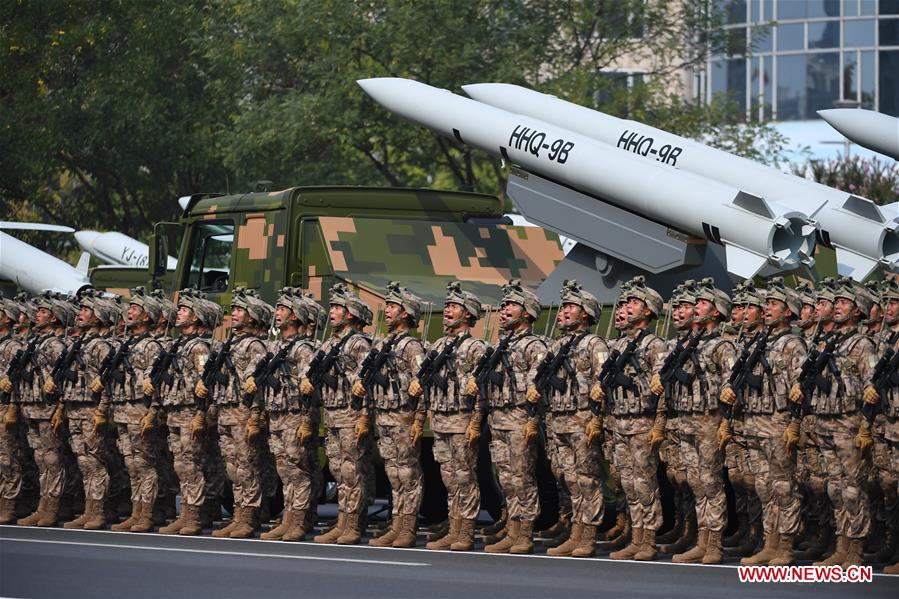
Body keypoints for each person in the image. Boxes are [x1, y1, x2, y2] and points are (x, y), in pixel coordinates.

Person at [306, 283, 373, 545]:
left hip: (351, 414)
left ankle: (354, 524)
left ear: (351, 314)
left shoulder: (358, 343)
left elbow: (366, 381)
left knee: (351, 470)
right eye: (331, 307)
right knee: (337, 469)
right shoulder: (330, 343)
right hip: (332, 414)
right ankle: (343, 520)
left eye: (337, 308)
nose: (331, 311)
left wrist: (365, 417)